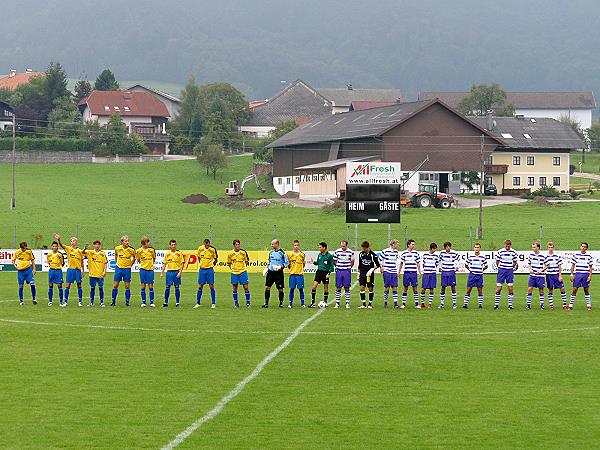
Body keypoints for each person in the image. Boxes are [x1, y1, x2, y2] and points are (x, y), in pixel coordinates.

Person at [55, 233, 84, 307]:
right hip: (70, 270)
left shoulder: (79, 251)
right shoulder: (68, 249)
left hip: (77, 270)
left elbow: (82, 261)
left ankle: (80, 302)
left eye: (74, 241)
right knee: (68, 285)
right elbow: (62, 245)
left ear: (76, 242)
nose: (73, 242)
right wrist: (59, 239)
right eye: (71, 241)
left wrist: (83, 271)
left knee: (79, 285)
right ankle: (65, 302)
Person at [263, 239, 289, 308]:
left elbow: (286, 263)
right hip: (270, 273)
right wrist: (267, 268)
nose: (271, 245)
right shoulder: (271, 252)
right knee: (267, 288)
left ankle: (281, 303)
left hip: (278, 273)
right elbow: (269, 261)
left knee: (280, 289)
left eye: (273, 244)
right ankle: (266, 303)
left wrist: (280, 267)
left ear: (277, 244)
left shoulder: (282, 253)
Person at [494, 239, 518, 310]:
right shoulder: (500, 251)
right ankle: (496, 305)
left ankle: (510, 305)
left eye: (508, 245)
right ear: (504, 245)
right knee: (499, 288)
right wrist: (500, 268)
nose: (507, 246)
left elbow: (515, 261)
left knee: (510, 288)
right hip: (501, 271)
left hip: (509, 271)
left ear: (510, 245)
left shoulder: (513, 252)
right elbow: (497, 261)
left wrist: (511, 267)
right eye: (506, 244)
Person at [112, 235, 136, 306]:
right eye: (126, 241)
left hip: (127, 270)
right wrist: (117, 262)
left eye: (128, 241)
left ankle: (127, 302)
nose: (127, 242)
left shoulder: (131, 250)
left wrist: (130, 265)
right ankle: (113, 302)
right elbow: (116, 255)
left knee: (127, 286)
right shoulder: (117, 248)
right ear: (122, 242)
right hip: (119, 269)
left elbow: (134, 257)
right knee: (115, 285)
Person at [309, 242, 334, 308]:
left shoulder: (329, 256)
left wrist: (329, 273)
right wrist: (313, 262)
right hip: (319, 272)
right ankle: (313, 302)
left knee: (325, 288)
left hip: (325, 273)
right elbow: (318, 263)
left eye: (320, 247)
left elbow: (332, 266)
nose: (319, 248)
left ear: (324, 247)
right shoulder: (319, 255)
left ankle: (325, 302)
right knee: (314, 286)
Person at [569, 242, 593, 311]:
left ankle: (589, 305)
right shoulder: (576, 255)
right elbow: (573, 265)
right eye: (582, 246)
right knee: (575, 289)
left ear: (586, 248)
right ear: (580, 247)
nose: (583, 248)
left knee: (586, 289)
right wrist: (571, 274)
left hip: (585, 274)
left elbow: (591, 267)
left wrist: (590, 276)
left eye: (584, 247)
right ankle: (570, 306)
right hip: (578, 274)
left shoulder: (589, 256)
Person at [83, 240, 108, 307]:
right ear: (94, 245)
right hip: (92, 274)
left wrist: (104, 271)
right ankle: (91, 303)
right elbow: (82, 253)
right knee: (92, 288)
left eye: (98, 244)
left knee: (100, 288)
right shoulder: (90, 252)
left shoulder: (102, 253)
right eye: (95, 244)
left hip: (100, 274)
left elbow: (105, 263)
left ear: (99, 245)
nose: (97, 246)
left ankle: (101, 302)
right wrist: (85, 248)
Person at [227, 239, 251, 307]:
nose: (238, 246)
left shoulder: (243, 252)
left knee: (246, 287)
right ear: (234, 245)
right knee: (235, 288)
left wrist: (243, 268)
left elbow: (247, 261)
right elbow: (229, 263)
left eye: (239, 244)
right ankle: (236, 303)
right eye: (236, 244)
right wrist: (232, 269)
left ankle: (248, 303)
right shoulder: (230, 254)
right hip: (234, 273)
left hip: (243, 272)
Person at [160, 239, 184, 307]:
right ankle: (165, 302)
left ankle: (177, 302)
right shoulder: (167, 254)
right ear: (170, 246)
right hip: (169, 272)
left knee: (177, 287)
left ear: (176, 245)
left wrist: (180, 272)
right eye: (172, 245)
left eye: (174, 245)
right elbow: (164, 264)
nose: (173, 246)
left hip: (176, 272)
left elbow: (182, 264)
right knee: (167, 287)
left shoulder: (179, 254)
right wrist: (162, 273)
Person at [12, 241, 36, 306]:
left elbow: (32, 260)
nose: (23, 249)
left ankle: (34, 299)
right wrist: (16, 266)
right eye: (22, 248)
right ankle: (21, 301)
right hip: (21, 272)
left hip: (28, 270)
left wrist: (34, 269)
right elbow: (13, 260)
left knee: (32, 284)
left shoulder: (29, 251)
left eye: (24, 248)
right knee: (21, 286)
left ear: (26, 247)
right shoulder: (17, 252)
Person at [463, 243, 487, 309]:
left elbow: (486, 266)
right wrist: (470, 270)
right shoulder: (470, 256)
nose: (476, 248)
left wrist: (481, 270)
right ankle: (465, 304)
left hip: (479, 275)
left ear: (480, 248)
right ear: (474, 248)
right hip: (472, 275)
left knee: (479, 289)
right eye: (475, 247)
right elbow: (466, 264)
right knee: (468, 289)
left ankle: (480, 305)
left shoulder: (483, 257)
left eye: (478, 247)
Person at [196, 239, 218, 309]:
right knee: (200, 286)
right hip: (202, 269)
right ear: (204, 244)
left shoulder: (212, 250)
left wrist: (211, 265)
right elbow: (198, 257)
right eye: (206, 244)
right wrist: (202, 264)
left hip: (209, 270)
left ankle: (213, 303)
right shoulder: (200, 248)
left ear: (209, 244)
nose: (207, 245)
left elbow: (216, 259)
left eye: (208, 244)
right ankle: (198, 303)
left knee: (211, 286)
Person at [357, 241, 380, 309]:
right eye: (363, 248)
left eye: (365, 248)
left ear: (368, 247)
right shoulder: (361, 254)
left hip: (370, 274)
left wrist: (371, 270)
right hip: (363, 273)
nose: (363, 250)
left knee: (370, 288)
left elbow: (378, 265)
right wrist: (358, 273)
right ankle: (363, 304)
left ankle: (370, 303)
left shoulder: (373, 255)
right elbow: (360, 265)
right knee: (362, 287)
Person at [399, 239, 421, 308]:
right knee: (405, 288)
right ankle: (403, 304)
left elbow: (418, 263)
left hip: (414, 273)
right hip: (407, 273)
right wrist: (399, 272)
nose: (414, 245)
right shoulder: (404, 253)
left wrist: (419, 272)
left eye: (414, 244)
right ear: (408, 245)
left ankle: (417, 304)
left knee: (415, 288)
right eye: (412, 244)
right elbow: (401, 263)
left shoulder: (416, 253)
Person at [333, 240, 354, 309]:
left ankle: (347, 303)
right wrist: (339, 266)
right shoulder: (337, 251)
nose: (342, 247)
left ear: (346, 246)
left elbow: (352, 261)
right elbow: (335, 261)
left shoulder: (351, 252)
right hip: (339, 271)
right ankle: (337, 303)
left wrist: (348, 267)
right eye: (341, 246)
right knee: (338, 287)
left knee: (347, 287)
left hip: (347, 271)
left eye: (344, 246)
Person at [136, 237, 157, 308]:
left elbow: (154, 258)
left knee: (151, 286)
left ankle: (151, 302)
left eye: (148, 242)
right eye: (147, 242)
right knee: (143, 286)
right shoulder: (139, 251)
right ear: (143, 243)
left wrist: (151, 264)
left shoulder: (151, 250)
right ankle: (144, 302)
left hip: (150, 270)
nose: (148, 244)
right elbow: (138, 259)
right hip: (143, 270)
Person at [544, 242, 566, 310]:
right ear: (547, 248)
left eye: (551, 247)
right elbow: (545, 266)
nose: (550, 249)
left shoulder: (557, 256)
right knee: (550, 290)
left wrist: (560, 276)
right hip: (549, 275)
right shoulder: (545, 257)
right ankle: (551, 305)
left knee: (562, 288)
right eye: (549, 247)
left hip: (556, 275)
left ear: (554, 248)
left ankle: (564, 305)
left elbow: (559, 266)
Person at [379, 240, 400, 308]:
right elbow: (379, 259)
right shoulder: (385, 251)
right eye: (397, 244)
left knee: (395, 287)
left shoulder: (396, 252)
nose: (398, 245)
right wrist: (381, 267)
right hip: (387, 271)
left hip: (394, 271)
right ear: (393, 244)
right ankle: (385, 302)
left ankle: (395, 303)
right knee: (387, 287)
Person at [438, 241, 459, 309]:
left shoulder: (454, 252)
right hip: (444, 271)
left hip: (451, 271)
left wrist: (456, 267)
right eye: (446, 247)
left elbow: (458, 259)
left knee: (453, 287)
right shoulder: (442, 253)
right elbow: (439, 260)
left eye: (448, 246)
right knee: (443, 287)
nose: (448, 248)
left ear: (450, 246)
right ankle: (442, 303)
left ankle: (454, 303)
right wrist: (440, 267)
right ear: (444, 248)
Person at [526, 242, 546, 310]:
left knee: (541, 290)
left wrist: (541, 270)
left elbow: (547, 265)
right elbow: (529, 264)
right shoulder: (531, 255)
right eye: (532, 247)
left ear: (538, 247)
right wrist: (530, 269)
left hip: (540, 276)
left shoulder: (543, 256)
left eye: (534, 247)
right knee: (529, 289)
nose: (532, 248)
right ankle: (528, 305)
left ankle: (542, 305)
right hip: (532, 275)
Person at [287, 240, 306, 308]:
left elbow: (304, 264)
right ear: (293, 246)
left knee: (301, 289)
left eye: (297, 245)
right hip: (292, 275)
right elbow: (288, 265)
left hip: (300, 275)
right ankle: (290, 303)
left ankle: (303, 303)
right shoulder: (289, 254)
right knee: (292, 289)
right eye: (295, 245)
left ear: (299, 246)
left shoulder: (302, 254)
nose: (296, 246)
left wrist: (299, 269)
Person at [421, 243, 439, 308]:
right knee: (423, 288)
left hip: (433, 273)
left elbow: (437, 264)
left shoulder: (436, 256)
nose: (435, 250)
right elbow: (423, 264)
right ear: (431, 248)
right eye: (434, 249)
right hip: (426, 273)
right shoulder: (425, 255)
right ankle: (422, 303)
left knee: (432, 288)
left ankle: (430, 303)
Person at [46, 241, 64, 306]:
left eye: (56, 246)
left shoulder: (60, 255)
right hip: (51, 271)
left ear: (57, 247)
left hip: (58, 271)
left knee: (60, 286)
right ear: (51, 247)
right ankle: (50, 301)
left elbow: (62, 263)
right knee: (50, 286)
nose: (54, 247)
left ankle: (61, 302)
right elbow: (48, 262)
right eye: (53, 246)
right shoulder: (49, 255)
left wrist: (58, 267)